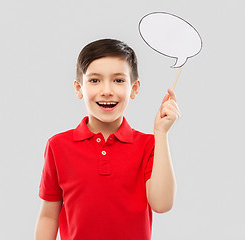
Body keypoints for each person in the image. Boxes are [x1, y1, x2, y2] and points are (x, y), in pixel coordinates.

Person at [34, 38, 181, 240]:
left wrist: (161, 133)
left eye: (118, 80)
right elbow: (48, 216)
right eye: (95, 80)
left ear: (134, 88)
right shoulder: (58, 146)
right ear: (79, 88)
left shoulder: (149, 145)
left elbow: (162, 204)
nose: (107, 90)